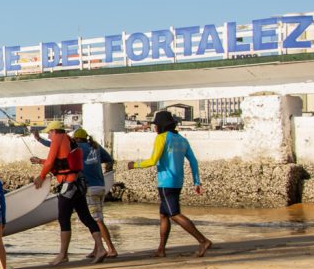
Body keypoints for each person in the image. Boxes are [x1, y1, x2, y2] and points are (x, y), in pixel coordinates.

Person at [127, 110, 212, 257]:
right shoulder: (182, 139)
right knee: (164, 215)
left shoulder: (162, 138)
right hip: (178, 181)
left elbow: (153, 160)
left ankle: (203, 241)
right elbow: (193, 161)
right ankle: (161, 249)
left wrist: (134, 165)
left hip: (166, 182)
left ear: (161, 126)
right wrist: (196, 182)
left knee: (174, 214)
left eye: (156, 125)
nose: (155, 128)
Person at [33, 127, 118, 258]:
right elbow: (108, 158)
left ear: (76, 139)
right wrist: (93, 162)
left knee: (96, 220)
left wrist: (39, 140)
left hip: (88, 187)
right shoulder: (95, 147)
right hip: (101, 186)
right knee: (93, 218)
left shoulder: (76, 147)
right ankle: (98, 249)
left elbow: (54, 149)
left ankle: (110, 249)